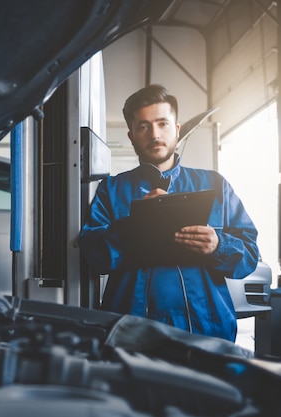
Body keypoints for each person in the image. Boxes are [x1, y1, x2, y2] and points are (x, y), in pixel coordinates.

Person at [78, 84, 259, 341]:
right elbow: (95, 257)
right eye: (143, 126)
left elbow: (249, 257)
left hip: (207, 333)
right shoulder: (112, 189)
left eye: (162, 124)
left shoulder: (215, 185)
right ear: (131, 136)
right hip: (133, 336)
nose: (155, 134)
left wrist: (219, 245)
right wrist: (137, 224)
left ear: (176, 129)